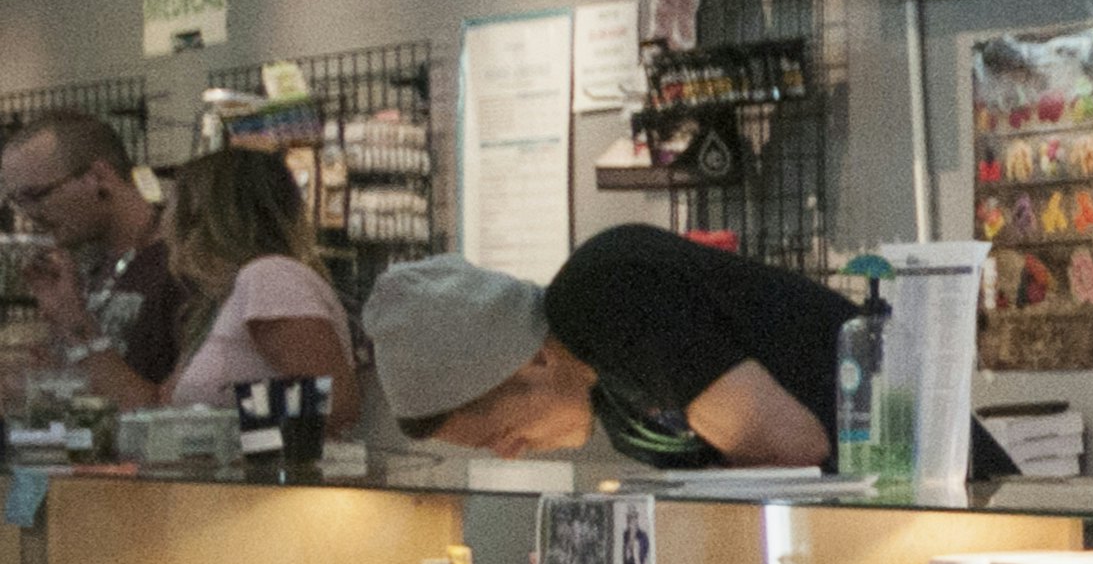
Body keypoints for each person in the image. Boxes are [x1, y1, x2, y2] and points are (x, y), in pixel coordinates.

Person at [362, 223, 1009, 478]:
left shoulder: (599, 294)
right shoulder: (614, 406)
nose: (509, 451)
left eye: (496, 432)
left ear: (525, 359)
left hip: (953, 489)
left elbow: (789, 441)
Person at [40, 141, 350, 412]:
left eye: (172, 204)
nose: (165, 219)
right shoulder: (216, 304)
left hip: (264, 476)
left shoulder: (269, 276)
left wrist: (221, 422)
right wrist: (73, 322)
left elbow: (334, 401)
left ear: (196, 214)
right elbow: (157, 408)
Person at [5, 109, 193, 395]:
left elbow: (175, 407)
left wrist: (74, 321)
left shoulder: (185, 265)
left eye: (37, 195)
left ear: (98, 177)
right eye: (19, 202)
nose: (31, 215)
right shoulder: (82, 268)